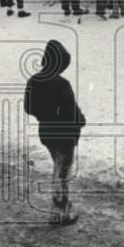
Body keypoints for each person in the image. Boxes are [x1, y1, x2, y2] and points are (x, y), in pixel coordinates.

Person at [24, 39, 86, 226]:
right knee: (62, 172)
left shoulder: (34, 80)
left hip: (47, 132)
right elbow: (70, 110)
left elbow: (28, 107)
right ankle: (59, 212)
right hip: (64, 134)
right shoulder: (62, 84)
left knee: (58, 168)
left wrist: (45, 115)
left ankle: (62, 204)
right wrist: (80, 120)